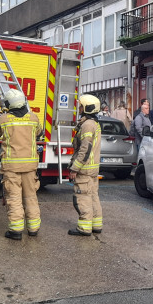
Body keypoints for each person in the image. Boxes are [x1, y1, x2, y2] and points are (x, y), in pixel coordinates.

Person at [0, 89, 43, 240]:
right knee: (31, 197)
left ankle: (16, 231)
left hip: (12, 167)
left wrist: (0, 117)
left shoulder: (4, 119)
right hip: (30, 166)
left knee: (14, 198)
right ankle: (33, 229)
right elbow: (39, 132)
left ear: (8, 104)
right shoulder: (33, 118)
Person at [68, 94, 103, 237]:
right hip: (92, 169)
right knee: (93, 196)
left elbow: (85, 149)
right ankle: (96, 225)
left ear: (87, 108)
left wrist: (74, 168)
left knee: (83, 197)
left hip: (84, 169)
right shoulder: (94, 123)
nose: (79, 108)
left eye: (81, 106)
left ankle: (84, 227)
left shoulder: (87, 125)